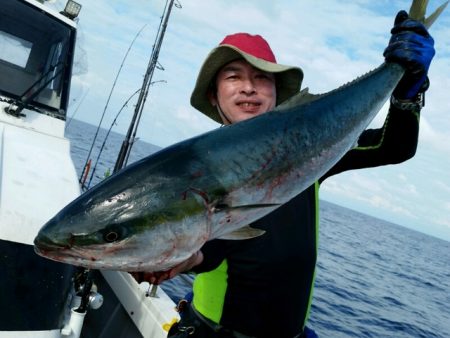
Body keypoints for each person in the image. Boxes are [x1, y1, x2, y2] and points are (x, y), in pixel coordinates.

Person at [132, 10, 435, 338]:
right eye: (233, 77)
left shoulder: (312, 148)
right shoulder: (199, 172)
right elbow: (210, 247)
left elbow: (394, 147)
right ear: (214, 96)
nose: (249, 87)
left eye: (261, 78)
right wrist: (184, 257)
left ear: (277, 94)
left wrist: (408, 95)